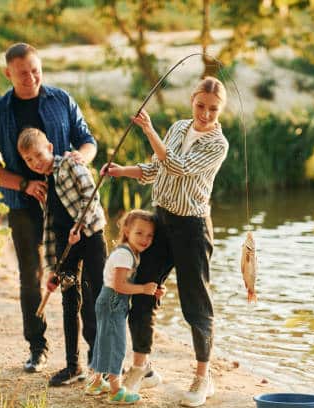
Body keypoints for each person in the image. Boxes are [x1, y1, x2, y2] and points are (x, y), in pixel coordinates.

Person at [101, 76, 229, 407]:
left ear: (220, 110)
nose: (204, 114)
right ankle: (142, 368)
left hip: (192, 228)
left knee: (195, 303)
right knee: (142, 288)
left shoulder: (218, 144)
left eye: (213, 109)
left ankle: (203, 377)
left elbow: (179, 166)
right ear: (192, 101)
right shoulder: (177, 128)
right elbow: (156, 169)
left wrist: (148, 129)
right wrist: (121, 171)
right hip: (161, 221)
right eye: (200, 105)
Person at [0, 43, 98, 375]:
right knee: (30, 277)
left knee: (81, 275)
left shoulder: (61, 100)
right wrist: (24, 184)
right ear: (8, 74)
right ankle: (37, 347)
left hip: (66, 203)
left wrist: (81, 157)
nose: (31, 77)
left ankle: (92, 350)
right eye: (22, 73)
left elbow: (89, 141)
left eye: (36, 70)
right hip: (22, 204)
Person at [17, 127, 107, 386]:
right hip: (66, 245)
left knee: (95, 298)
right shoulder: (46, 183)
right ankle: (72, 365)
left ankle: (101, 362)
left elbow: (91, 197)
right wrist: (54, 269)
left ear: (50, 148)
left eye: (38, 155)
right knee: (70, 302)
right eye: (29, 160)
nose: (35, 162)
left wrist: (78, 226)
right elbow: (52, 226)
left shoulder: (70, 163)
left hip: (89, 237)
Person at [85, 210, 165, 404]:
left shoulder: (130, 252)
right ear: (127, 230)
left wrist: (152, 290)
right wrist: (144, 289)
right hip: (113, 300)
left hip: (110, 302)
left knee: (105, 341)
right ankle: (115, 390)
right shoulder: (124, 255)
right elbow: (120, 285)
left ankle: (96, 382)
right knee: (115, 346)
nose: (145, 239)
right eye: (139, 233)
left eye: (150, 235)